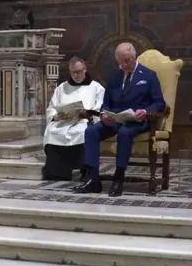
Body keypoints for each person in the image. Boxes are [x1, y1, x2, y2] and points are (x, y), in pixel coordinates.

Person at [74, 42, 166, 197]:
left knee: (124, 133)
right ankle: (93, 179)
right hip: (115, 119)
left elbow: (159, 103)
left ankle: (119, 177)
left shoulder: (149, 75)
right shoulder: (115, 77)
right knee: (91, 132)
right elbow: (106, 103)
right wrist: (104, 114)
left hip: (137, 121)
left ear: (134, 57)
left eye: (127, 60)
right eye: (120, 61)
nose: (124, 65)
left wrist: (146, 111)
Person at [43, 57, 105, 181]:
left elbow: (99, 108)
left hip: (83, 121)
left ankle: (85, 171)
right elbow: (52, 107)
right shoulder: (62, 88)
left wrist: (87, 114)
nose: (76, 75)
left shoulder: (96, 87)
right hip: (62, 122)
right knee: (51, 132)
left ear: (85, 70)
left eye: (79, 71)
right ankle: (58, 173)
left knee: (82, 133)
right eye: (73, 72)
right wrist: (55, 116)